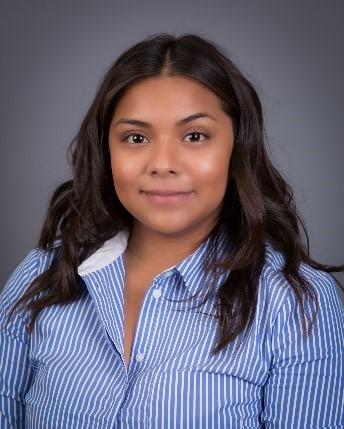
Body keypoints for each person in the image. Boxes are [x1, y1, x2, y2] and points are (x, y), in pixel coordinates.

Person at [0, 32, 343, 429]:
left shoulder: (298, 305)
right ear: (106, 150)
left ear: (237, 147)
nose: (163, 163)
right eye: (136, 137)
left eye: (195, 136)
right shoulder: (42, 277)